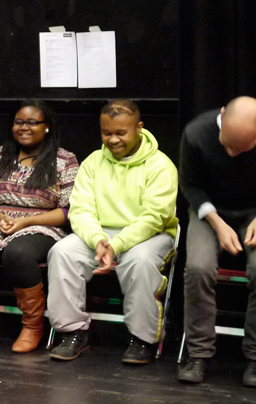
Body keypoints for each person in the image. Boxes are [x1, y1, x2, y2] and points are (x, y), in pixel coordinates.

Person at [178, 96, 256, 386]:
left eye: (241, 147)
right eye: (226, 143)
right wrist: (217, 224)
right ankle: (198, 354)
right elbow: (190, 185)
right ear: (221, 116)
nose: (232, 153)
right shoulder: (196, 132)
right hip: (210, 210)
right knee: (197, 268)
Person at [47, 100, 178, 364]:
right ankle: (73, 331)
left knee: (140, 261)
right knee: (61, 252)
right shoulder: (93, 162)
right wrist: (98, 240)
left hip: (149, 236)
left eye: (121, 133)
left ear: (139, 128)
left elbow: (153, 218)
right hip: (100, 234)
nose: (113, 139)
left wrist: (115, 245)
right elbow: (80, 209)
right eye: (107, 133)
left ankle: (143, 339)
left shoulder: (161, 165)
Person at [0, 101, 78, 352]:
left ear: (47, 127)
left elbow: (68, 210)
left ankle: (32, 326)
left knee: (19, 253)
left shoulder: (64, 160)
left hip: (42, 223)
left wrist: (26, 221)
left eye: (32, 122)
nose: (24, 127)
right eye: (19, 122)